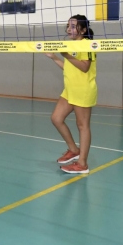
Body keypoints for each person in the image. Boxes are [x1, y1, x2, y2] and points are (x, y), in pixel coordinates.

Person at [46, 15, 97, 174]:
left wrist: (66, 55)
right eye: (68, 26)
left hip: (83, 90)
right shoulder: (70, 44)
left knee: (82, 126)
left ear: (83, 30)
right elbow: (68, 67)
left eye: (73, 26)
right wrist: (54, 58)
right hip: (69, 90)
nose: (69, 29)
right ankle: (74, 150)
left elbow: (84, 67)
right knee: (56, 118)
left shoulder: (87, 44)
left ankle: (82, 164)